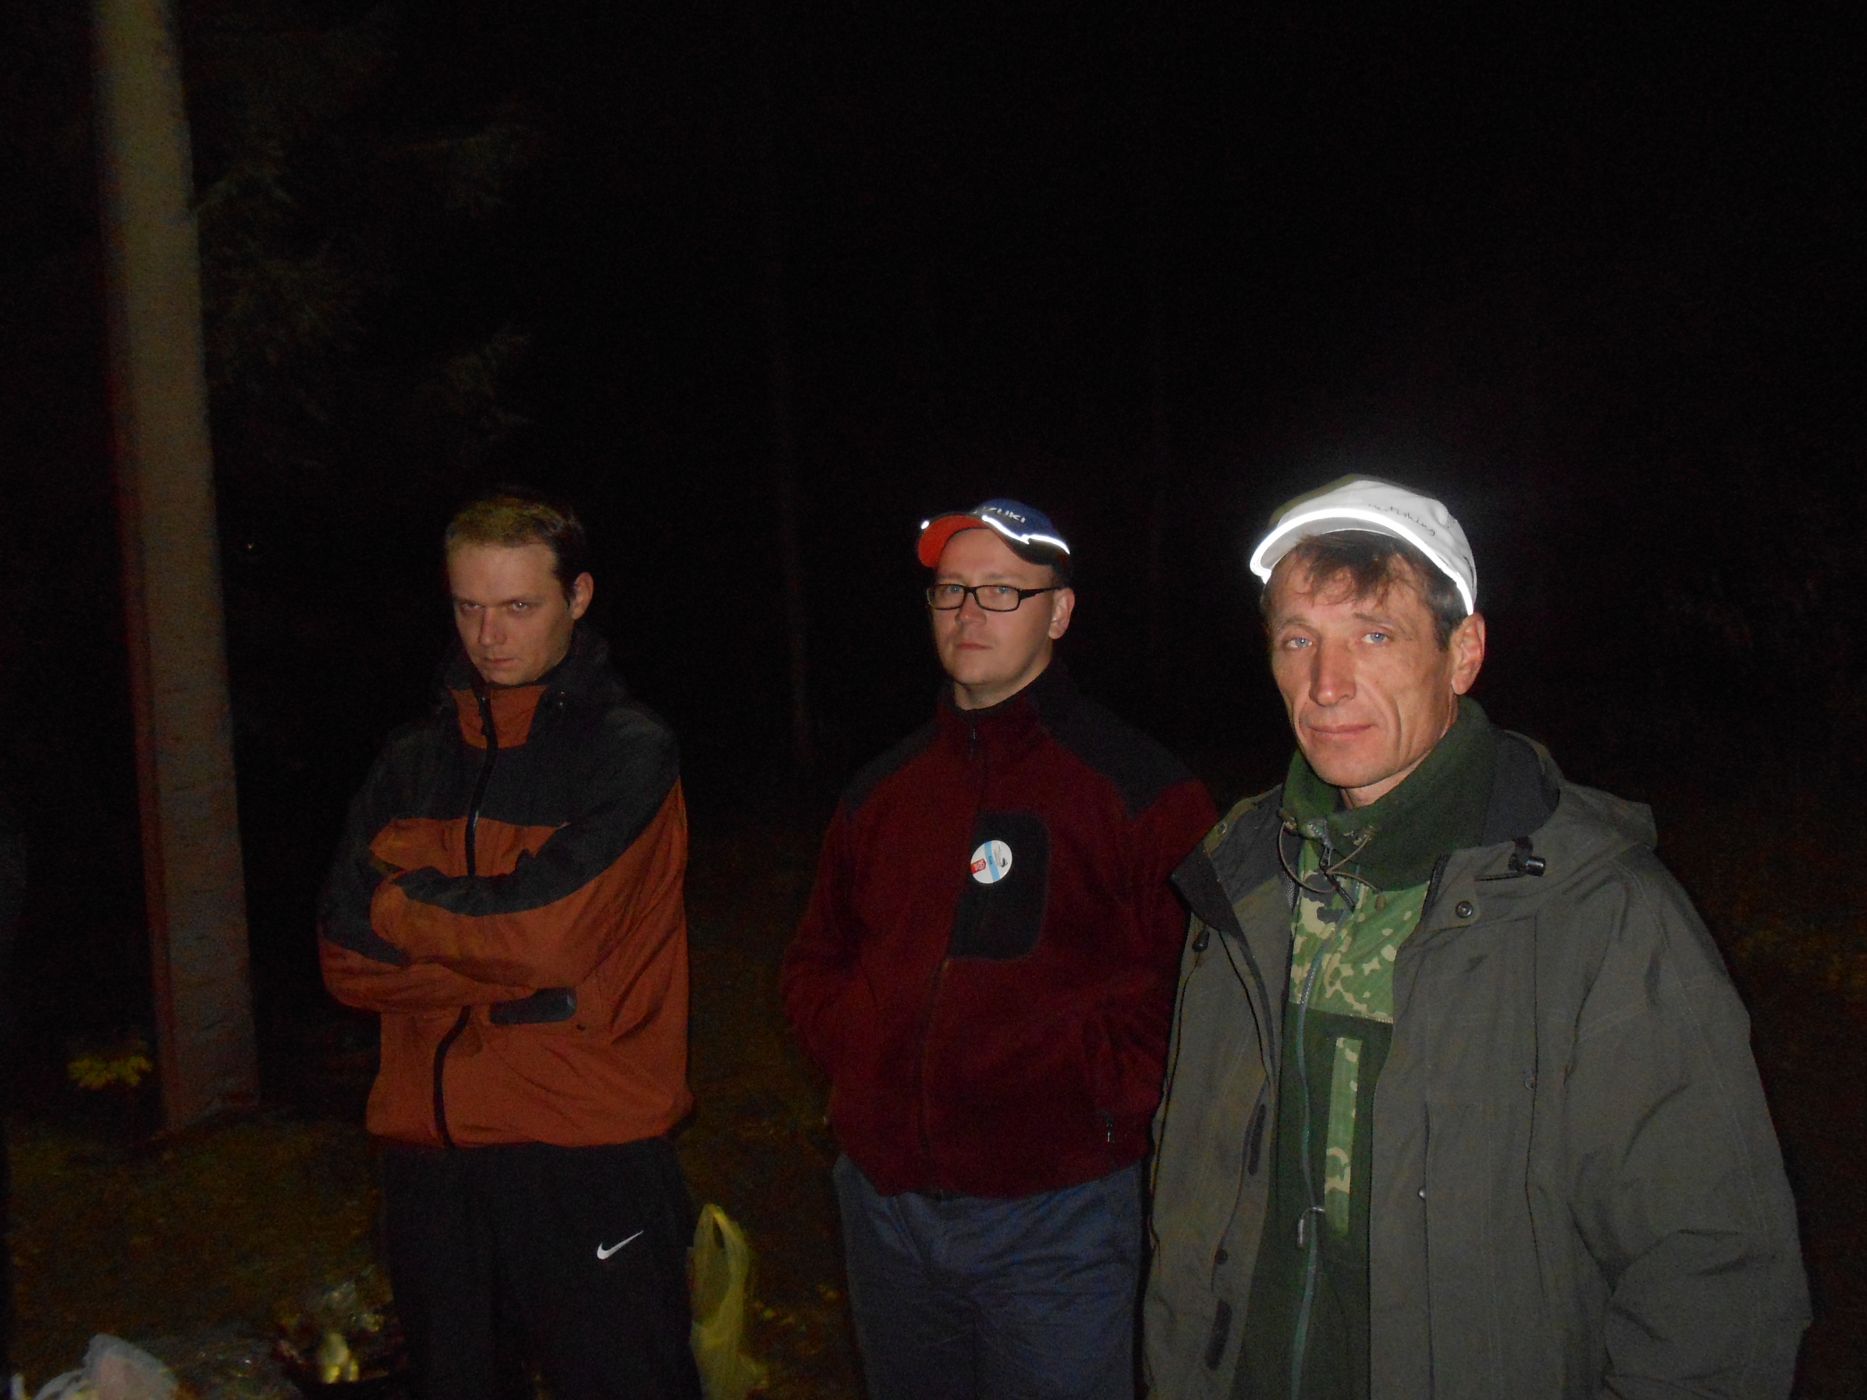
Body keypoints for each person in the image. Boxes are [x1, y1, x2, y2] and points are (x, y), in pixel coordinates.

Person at [1143, 477, 1809, 1398]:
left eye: (1374, 635)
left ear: (1462, 653)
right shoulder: (1245, 883)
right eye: (1298, 640)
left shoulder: (1594, 911)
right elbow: (1190, 1194)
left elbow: (1713, 1272)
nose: (1326, 685)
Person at [783, 498, 1217, 1399]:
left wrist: (1094, 1094)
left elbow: (1199, 989)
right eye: (950, 591)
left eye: (1001, 592)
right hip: (887, 1210)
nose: (969, 613)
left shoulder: (1139, 790)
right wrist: (860, 1054)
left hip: (1055, 1219)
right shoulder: (884, 791)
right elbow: (816, 958)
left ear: (1059, 612)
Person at [319, 490, 700, 1399]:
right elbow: (343, 955)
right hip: (428, 1157)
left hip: (585, 1147)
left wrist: (405, 907)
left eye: (519, 606)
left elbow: (549, 941)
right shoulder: (411, 761)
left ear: (578, 597)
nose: (489, 636)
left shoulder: (627, 752)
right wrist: (506, 962)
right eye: (468, 607)